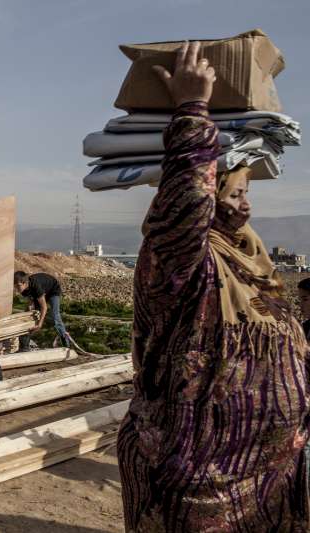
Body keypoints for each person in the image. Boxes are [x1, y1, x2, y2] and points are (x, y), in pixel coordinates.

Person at [117, 42, 310, 531]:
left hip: (268, 484)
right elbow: (183, 209)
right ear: (208, 190)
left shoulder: (250, 260)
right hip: (198, 488)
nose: (245, 207)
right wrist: (192, 110)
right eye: (235, 192)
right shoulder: (181, 262)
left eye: (249, 193)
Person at [13, 271, 70, 350]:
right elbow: (30, 299)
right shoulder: (23, 289)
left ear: (25, 283)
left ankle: (65, 342)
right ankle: (24, 346)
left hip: (53, 290)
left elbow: (44, 307)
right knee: (28, 316)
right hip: (40, 292)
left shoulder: (36, 286)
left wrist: (40, 323)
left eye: (18, 286)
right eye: (15, 286)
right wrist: (29, 308)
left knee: (55, 315)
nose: (17, 289)